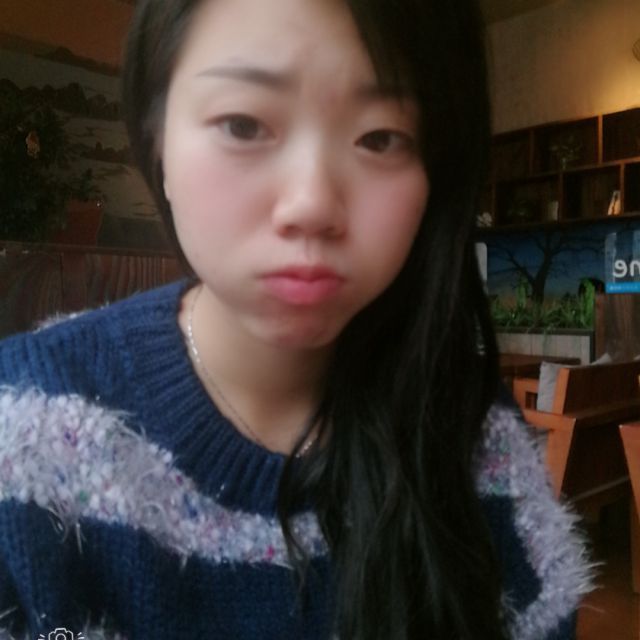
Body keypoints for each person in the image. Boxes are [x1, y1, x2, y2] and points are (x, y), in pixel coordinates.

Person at [0, 0, 592, 638]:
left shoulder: (479, 443)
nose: (311, 204)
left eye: (380, 137)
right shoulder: (26, 433)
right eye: (243, 124)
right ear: (156, 139)